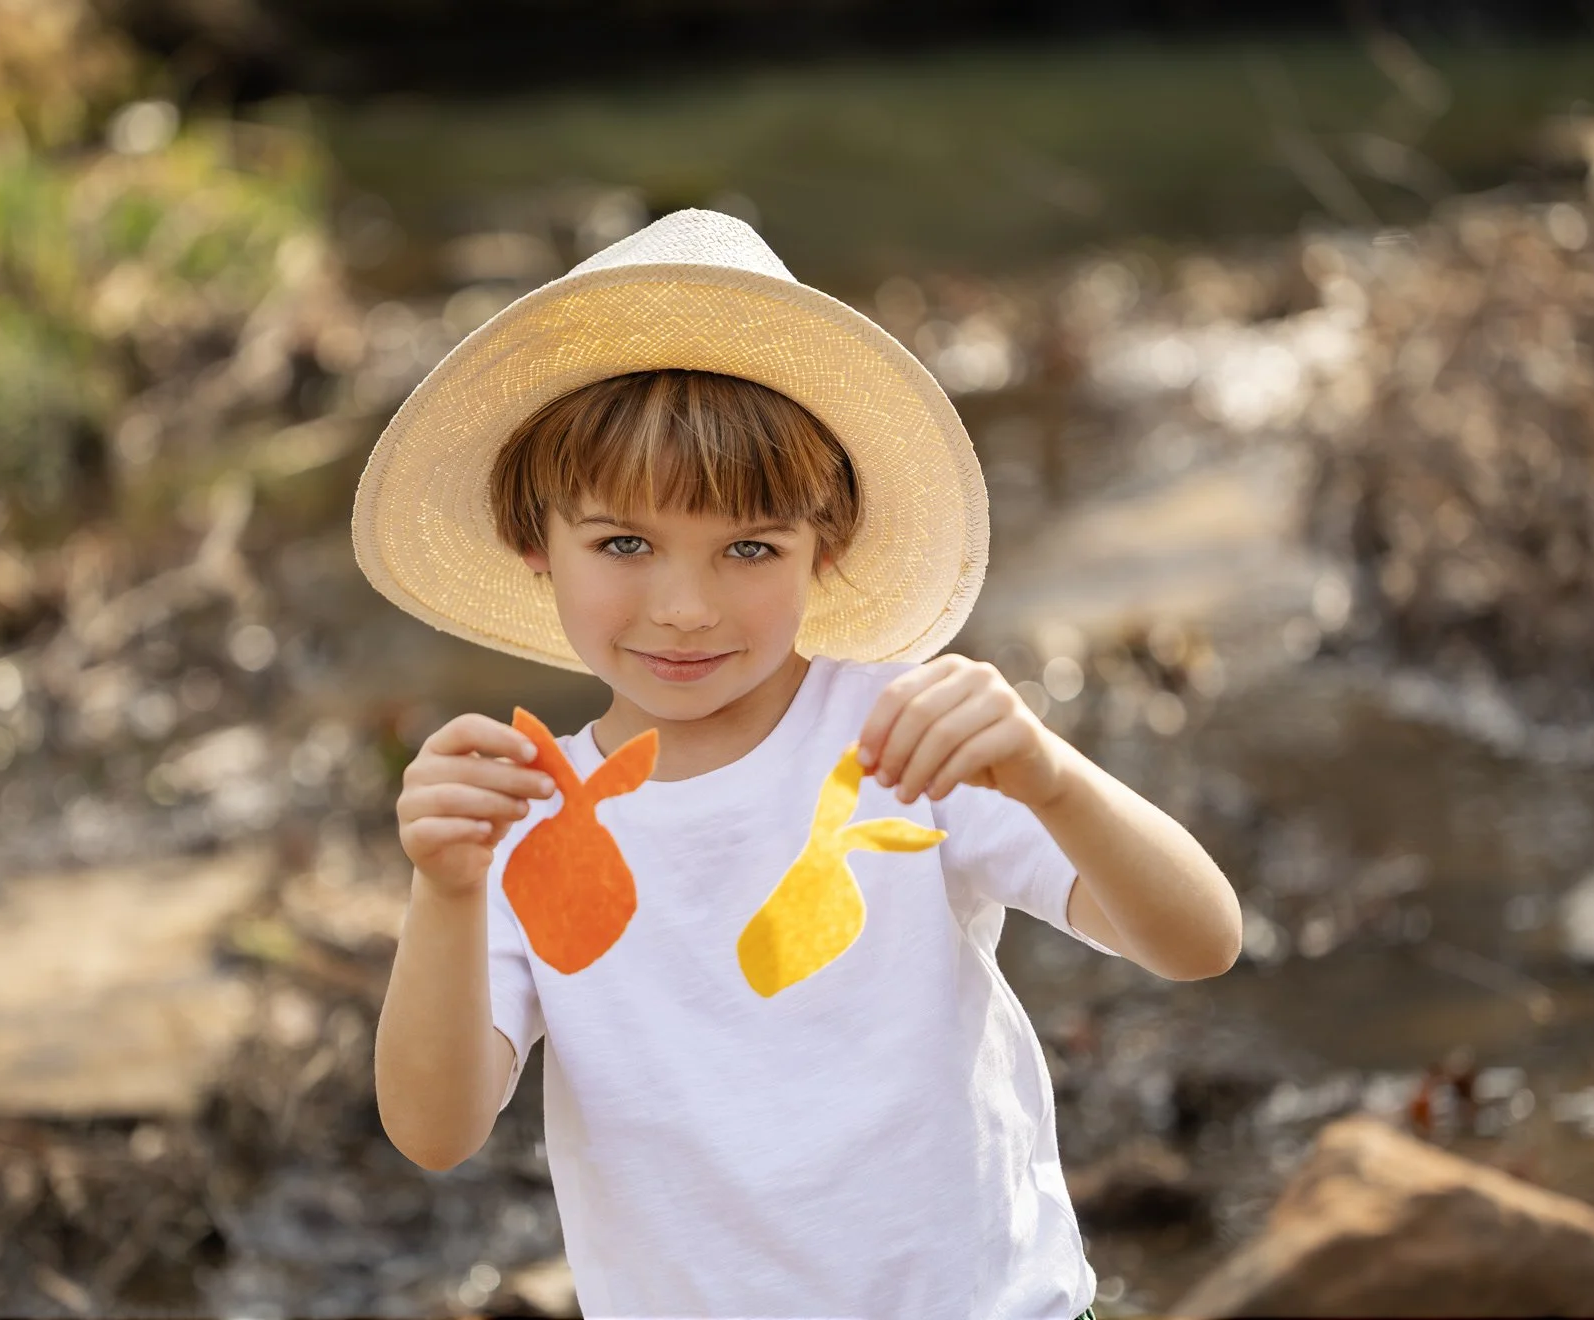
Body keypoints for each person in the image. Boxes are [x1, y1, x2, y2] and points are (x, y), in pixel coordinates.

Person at [353, 209, 1242, 1320]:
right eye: (624, 544)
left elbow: (1202, 942)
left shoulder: (899, 738)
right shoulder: (529, 812)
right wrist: (445, 890)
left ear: (827, 548)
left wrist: (1049, 774)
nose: (684, 608)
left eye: (750, 549)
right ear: (538, 544)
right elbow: (437, 1133)